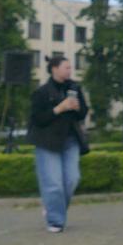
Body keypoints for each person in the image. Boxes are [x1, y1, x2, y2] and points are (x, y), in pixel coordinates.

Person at [28, 56, 88, 233]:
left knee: (72, 179)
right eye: (66, 67)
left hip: (70, 140)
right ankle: (55, 221)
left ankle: (52, 207)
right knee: (53, 183)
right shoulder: (42, 92)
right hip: (47, 142)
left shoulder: (75, 88)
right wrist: (58, 109)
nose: (70, 71)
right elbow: (37, 119)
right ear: (54, 69)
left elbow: (83, 113)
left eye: (70, 68)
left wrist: (78, 108)